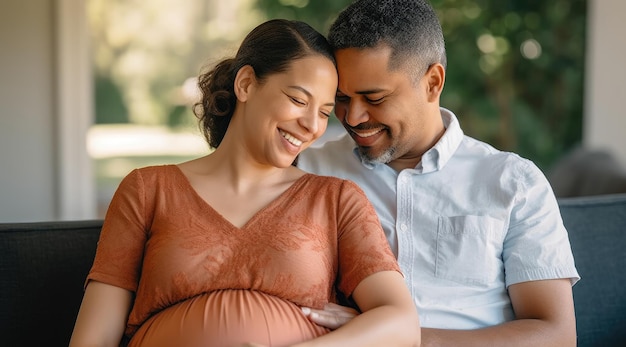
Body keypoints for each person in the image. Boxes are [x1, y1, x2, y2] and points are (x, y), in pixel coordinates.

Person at [69, 19, 420, 347]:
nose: (312, 125)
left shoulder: (336, 199)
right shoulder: (148, 190)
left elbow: (402, 323)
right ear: (246, 84)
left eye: (325, 112)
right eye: (298, 100)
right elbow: (92, 338)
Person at [297, 0, 580, 346]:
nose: (353, 117)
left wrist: (391, 336)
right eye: (342, 97)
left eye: (374, 97)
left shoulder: (515, 183)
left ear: (432, 82)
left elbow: (556, 334)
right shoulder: (306, 169)